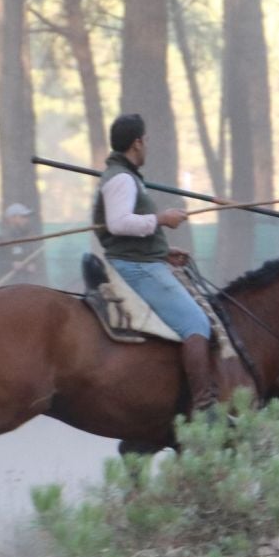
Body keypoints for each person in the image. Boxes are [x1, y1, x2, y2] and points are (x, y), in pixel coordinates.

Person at [94, 113, 223, 416]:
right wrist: (161, 219)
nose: (148, 145)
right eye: (147, 139)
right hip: (136, 268)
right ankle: (205, 409)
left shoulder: (124, 175)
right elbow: (118, 223)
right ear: (137, 143)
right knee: (196, 324)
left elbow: (130, 227)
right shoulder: (122, 179)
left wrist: (161, 250)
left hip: (143, 260)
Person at [0, 202, 44, 286]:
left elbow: (36, 261)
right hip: (5, 287)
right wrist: (11, 265)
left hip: (26, 287)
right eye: (23, 217)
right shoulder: (0, 240)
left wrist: (33, 266)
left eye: (27, 217)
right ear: (11, 218)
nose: (27, 220)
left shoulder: (29, 239)